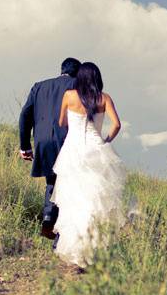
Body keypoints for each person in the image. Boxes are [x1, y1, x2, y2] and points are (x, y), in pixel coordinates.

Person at [51, 61, 127, 267]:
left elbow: (61, 122)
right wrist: (106, 140)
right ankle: (95, 248)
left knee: (75, 198)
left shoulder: (69, 96)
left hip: (73, 151)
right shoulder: (104, 98)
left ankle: (76, 250)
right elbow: (117, 125)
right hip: (95, 149)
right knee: (95, 199)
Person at [18, 57, 81, 241]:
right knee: (69, 184)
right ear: (77, 72)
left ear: (61, 70)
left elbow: (25, 115)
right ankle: (60, 230)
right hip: (67, 140)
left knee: (52, 180)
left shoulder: (39, 86)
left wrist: (25, 146)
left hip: (42, 140)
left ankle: (48, 217)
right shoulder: (77, 85)